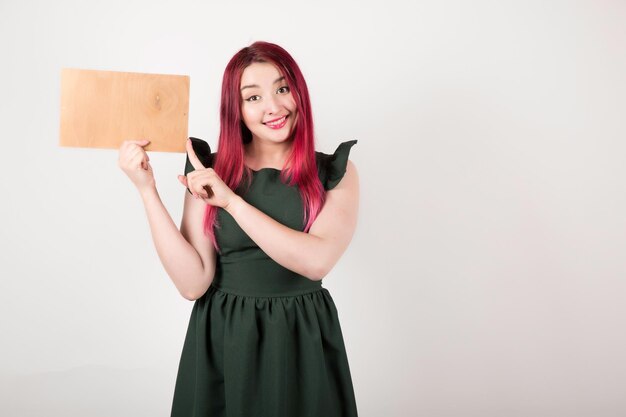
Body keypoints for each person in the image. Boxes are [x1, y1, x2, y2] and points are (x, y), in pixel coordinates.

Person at [118, 41, 359, 417]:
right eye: (253, 97)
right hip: (225, 335)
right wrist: (146, 189)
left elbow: (316, 262)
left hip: (301, 334)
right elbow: (193, 283)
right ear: (237, 109)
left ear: (299, 92)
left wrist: (232, 202)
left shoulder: (334, 172)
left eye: (282, 89)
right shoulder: (209, 168)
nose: (273, 107)